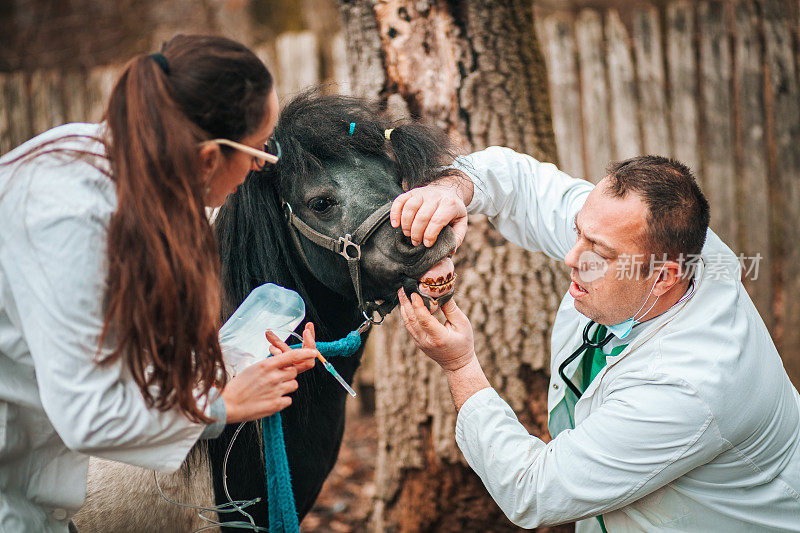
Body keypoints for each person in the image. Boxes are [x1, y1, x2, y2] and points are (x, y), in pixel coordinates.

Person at [0, 35, 319, 532]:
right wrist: (222, 406)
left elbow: (122, 350)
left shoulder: (130, 175)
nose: (263, 165)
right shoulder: (65, 218)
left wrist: (241, 364)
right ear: (210, 156)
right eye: (259, 149)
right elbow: (89, 414)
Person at [391, 147, 800, 531]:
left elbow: (532, 491)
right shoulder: (655, 239)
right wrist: (452, 190)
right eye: (577, 233)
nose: (572, 257)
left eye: (597, 254)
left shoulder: (688, 386)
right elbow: (520, 183)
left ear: (664, 277)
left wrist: (461, 366)